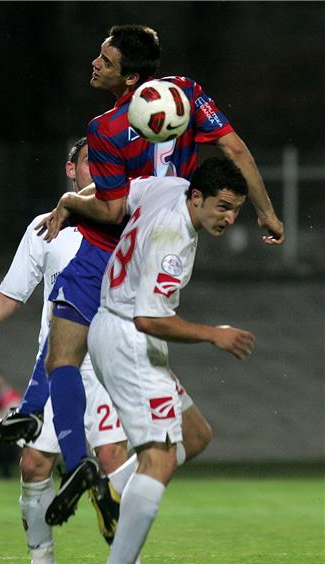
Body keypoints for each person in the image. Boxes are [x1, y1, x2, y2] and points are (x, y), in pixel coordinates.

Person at [34, 24, 283, 522]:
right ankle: (112, 485)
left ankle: (81, 466)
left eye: (105, 59)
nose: (96, 63)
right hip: (165, 244)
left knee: (61, 357)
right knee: (191, 433)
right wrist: (267, 211)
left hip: (109, 254)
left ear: (129, 79)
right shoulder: (187, 92)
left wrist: (67, 200)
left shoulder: (104, 128)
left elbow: (111, 209)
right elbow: (235, 150)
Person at [0, 138, 140, 564]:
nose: (98, 170)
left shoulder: (126, 222)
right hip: (57, 367)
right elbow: (11, 294)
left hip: (106, 363)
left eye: (106, 163)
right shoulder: (47, 227)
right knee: (32, 465)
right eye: (90, 161)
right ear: (71, 170)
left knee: (111, 459)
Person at [88, 157, 255, 564]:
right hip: (131, 336)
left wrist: (69, 202)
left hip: (115, 328)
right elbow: (149, 318)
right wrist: (212, 334)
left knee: (195, 435)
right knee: (159, 462)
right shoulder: (173, 241)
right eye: (221, 206)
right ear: (196, 197)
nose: (229, 218)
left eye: (235, 209)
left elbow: (117, 194)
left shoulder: (168, 188)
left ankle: (113, 487)